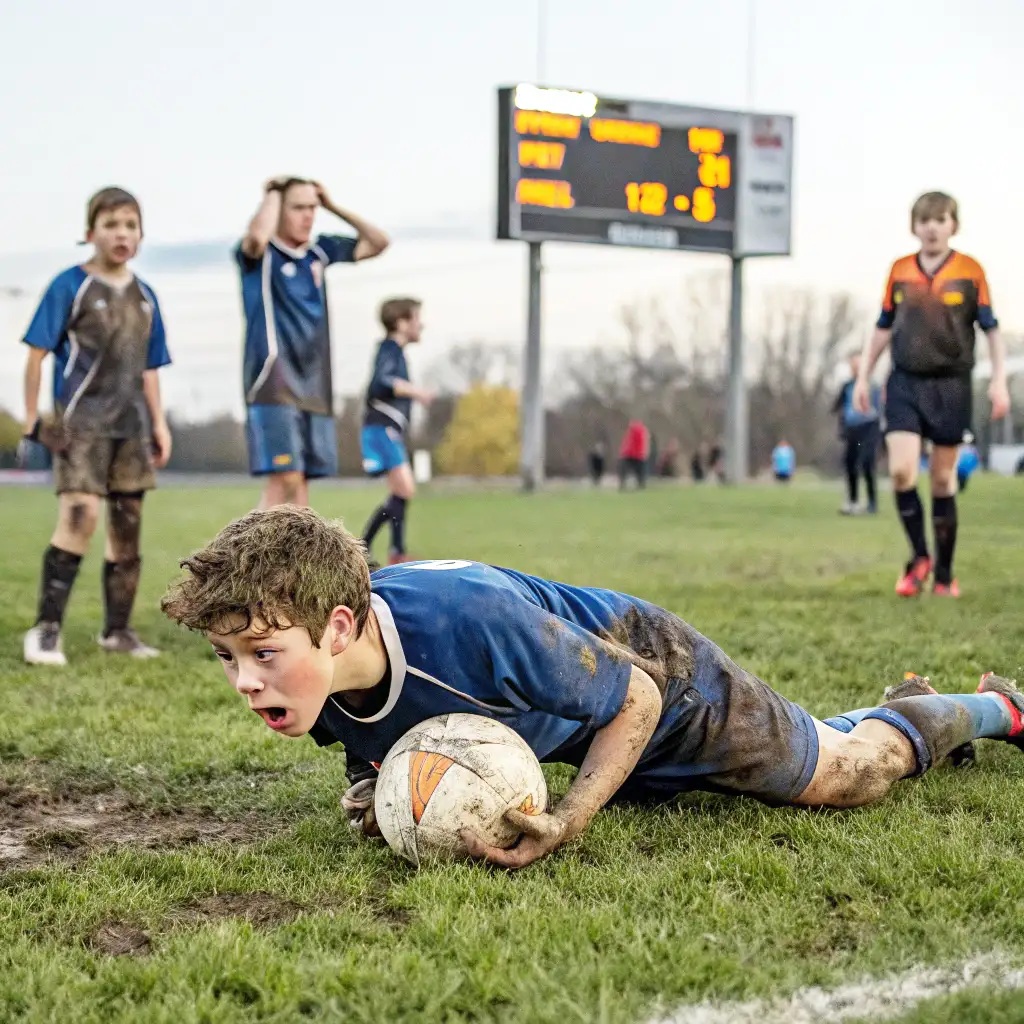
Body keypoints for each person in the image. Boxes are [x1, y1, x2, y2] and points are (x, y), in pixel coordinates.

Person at [162, 506, 1024, 870]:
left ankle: (986, 708)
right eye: (227, 658)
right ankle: (879, 713)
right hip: (574, 729)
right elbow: (368, 740)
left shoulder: (468, 624)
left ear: (340, 628)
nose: (245, 681)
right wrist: (374, 790)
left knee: (851, 778)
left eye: (262, 654)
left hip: (657, 678)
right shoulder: (314, 686)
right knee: (805, 757)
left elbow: (635, 700)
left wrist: (573, 817)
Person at [19, 187, 172, 665]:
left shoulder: (147, 296)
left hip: (131, 427)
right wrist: (32, 417)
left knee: (127, 525)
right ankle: (45, 631)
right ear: (91, 234)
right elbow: (37, 354)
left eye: (130, 225)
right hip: (79, 424)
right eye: (111, 225)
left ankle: (118, 632)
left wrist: (159, 424)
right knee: (81, 517)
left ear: (141, 235)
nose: (121, 233)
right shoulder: (69, 285)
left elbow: (150, 369)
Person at [854, 191, 1010, 598]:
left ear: (952, 225)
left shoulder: (971, 271)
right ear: (914, 226)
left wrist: (998, 381)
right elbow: (883, 326)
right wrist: (862, 378)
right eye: (924, 220)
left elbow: (991, 330)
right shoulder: (899, 270)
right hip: (905, 381)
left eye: (940, 219)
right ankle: (919, 557)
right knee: (903, 472)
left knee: (943, 480)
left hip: (952, 385)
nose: (932, 227)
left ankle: (944, 574)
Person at [236, 176, 389, 510]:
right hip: (273, 381)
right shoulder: (261, 256)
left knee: (301, 487)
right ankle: (237, 560)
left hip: (315, 384)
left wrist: (332, 205)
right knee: (286, 479)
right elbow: (255, 239)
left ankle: (286, 563)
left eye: (312, 208)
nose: (308, 216)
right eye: (298, 208)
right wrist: (272, 194)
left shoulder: (320, 253)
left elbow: (378, 242)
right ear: (278, 211)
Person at [360, 298, 434, 565]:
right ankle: (369, 548)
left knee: (401, 492)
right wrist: (417, 392)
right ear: (401, 323)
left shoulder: (395, 352)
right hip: (382, 427)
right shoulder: (389, 349)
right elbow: (381, 383)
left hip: (386, 428)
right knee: (405, 489)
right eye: (416, 318)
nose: (421, 324)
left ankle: (390, 551)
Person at [832, 354, 882, 514]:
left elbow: (881, 406)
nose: (855, 368)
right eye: (853, 365)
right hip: (852, 429)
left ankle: (872, 503)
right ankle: (853, 502)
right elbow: (839, 406)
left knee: (867, 462)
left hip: (868, 428)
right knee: (850, 464)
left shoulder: (872, 385)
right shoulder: (847, 386)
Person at [618, 419, 650, 490]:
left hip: (634, 455)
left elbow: (630, 444)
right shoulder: (640, 430)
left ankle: (624, 483)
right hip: (635, 455)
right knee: (640, 472)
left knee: (626, 469)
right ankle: (640, 484)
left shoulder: (635, 430)